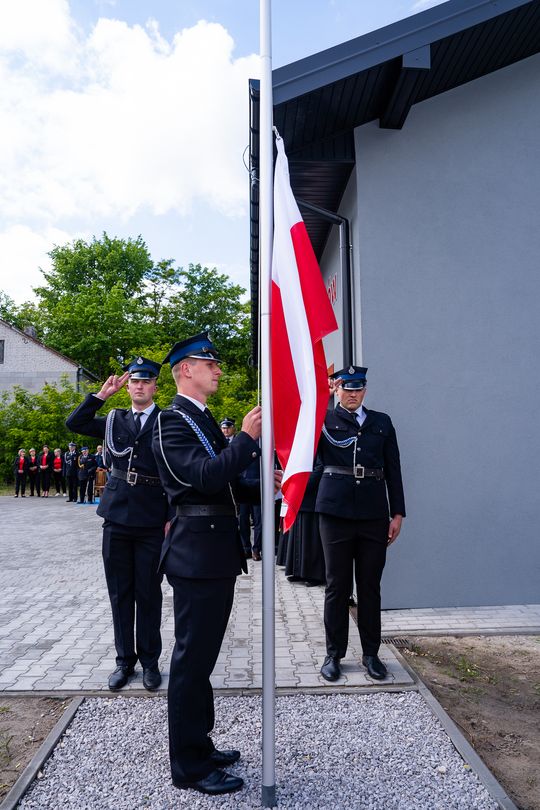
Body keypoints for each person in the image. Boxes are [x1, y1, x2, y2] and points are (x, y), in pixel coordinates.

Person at [152, 332, 280, 796]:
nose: (218, 369)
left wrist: (268, 487)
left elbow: (224, 484)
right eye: (210, 363)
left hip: (213, 553)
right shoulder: (171, 421)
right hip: (195, 555)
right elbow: (203, 479)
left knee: (202, 660)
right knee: (190, 662)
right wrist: (247, 439)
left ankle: (201, 746)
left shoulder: (200, 418)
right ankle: (188, 767)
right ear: (186, 369)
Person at [66, 357, 169, 692]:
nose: (139, 386)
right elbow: (75, 422)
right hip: (117, 517)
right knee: (120, 593)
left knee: (149, 594)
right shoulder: (113, 419)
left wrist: (172, 516)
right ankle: (125, 662)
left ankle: (151, 662)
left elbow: (178, 470)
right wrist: (101, 395)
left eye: (145, 381)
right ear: (128, 387)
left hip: (154, 517)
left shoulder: (167, 421)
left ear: (155, 386)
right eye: (134, 382)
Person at [313, 366, 405, 683]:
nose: (352, 394)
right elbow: (304, 441)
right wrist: (321, 399)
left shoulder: (382, 422)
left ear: (365, 390)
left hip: (373, 513)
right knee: (337, 586)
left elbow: (394, 468)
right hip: (335, 513)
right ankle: (333, 654)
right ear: (337, 390)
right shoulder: (323, 421)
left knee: (369, 587)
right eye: (346, 388)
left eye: (358, 389)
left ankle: (371, 654)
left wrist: (398, 513)